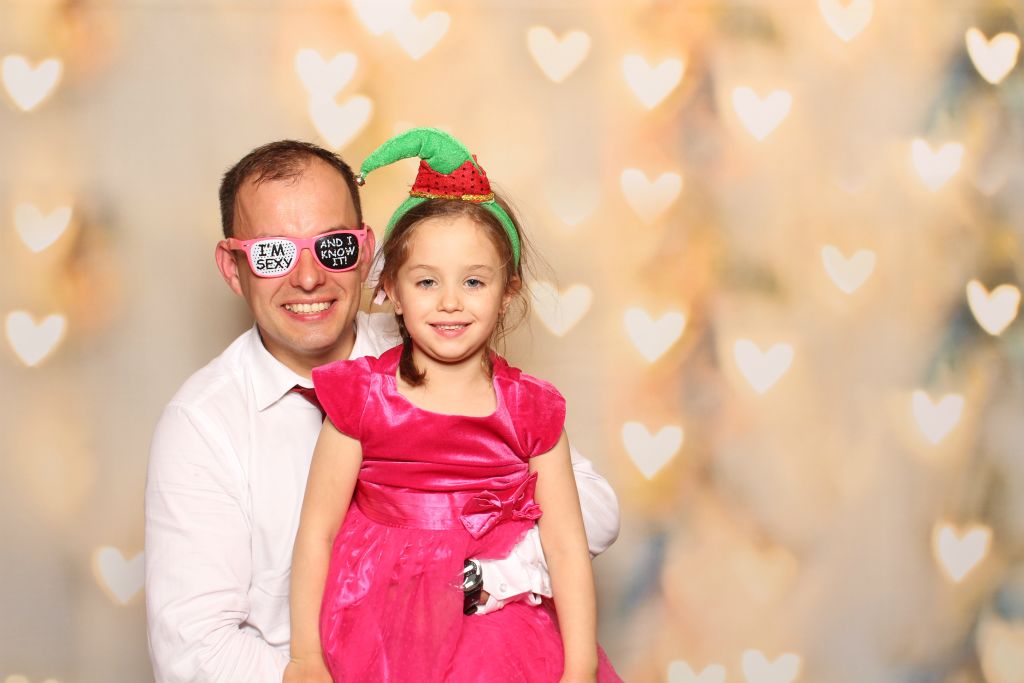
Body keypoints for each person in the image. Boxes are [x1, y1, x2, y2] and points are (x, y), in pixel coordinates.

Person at [144, 139, 620, 683]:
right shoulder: (201, 426)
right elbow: (196, 651)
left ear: (368, 254)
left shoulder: (437, 342)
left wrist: (483, 573)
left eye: (334, 247)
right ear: (233, 268)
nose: (307, 278)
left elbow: (594, 510)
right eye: (273, 253)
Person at [285, 128, 621, 682]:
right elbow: (316, 533)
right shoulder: (363, 398)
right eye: (426, 282)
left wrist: (579, 668)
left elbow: (565, 547)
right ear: (391, 289)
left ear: (508, 292)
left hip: (495, 626)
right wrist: (306, 656)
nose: (449, 302)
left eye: (473, 282)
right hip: (377, 622)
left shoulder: (530, 410)